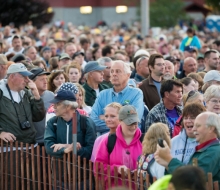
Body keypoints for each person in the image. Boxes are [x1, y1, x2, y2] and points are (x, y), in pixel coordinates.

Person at [0, 63, 45, 189]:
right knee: (11, 185)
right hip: (9, 150)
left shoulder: (26, 93)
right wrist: (0, 132)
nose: (27, 80)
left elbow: (38, 117)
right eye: (24, 76)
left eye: (28, 77)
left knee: (31, 184)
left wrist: (36, 95)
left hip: (30, 146)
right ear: (12, 77)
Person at [44, 90, 96, 189]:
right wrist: (66, 148)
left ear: (67, 106)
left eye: (57, 104)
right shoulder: (52, 123)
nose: (53, 107)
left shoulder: (86, 122)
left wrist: (73, 148)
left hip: (83, 180)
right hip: (59, 180)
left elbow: (91, 151)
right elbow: (48, 147)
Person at [155, 112, 220, 185]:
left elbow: (192, 179)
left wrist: (169, 160)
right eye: (194, 125)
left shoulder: (214, 151)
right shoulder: (205, 149)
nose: (194, 129)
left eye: (198, 126)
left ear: (211, 128)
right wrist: (167, 165)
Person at [94, 105, 142, 189]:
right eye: (130, 123)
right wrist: (117, 169)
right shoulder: (108, 141)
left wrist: (140, 172)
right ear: (120, 121)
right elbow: (98, 168)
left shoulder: (143, 141)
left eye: (135, 123)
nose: (133, 126)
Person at [90, 60, 144, 135]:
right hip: (105, 141)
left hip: (127, 140)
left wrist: (104, 118)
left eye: (118, 71)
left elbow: (132, 121)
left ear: (128, 75)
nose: (114, 74)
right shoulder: (103, 94)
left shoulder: (136, 93)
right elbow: (93, 122)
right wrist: (121, 120)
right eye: (112, 71)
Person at [29, 67, 54, 145]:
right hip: (33, 142)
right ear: (32, 82)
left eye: (46, 79)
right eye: (42, 79)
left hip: (49, 140)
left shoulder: (51, 96)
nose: (45, 82)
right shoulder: (26, 96)